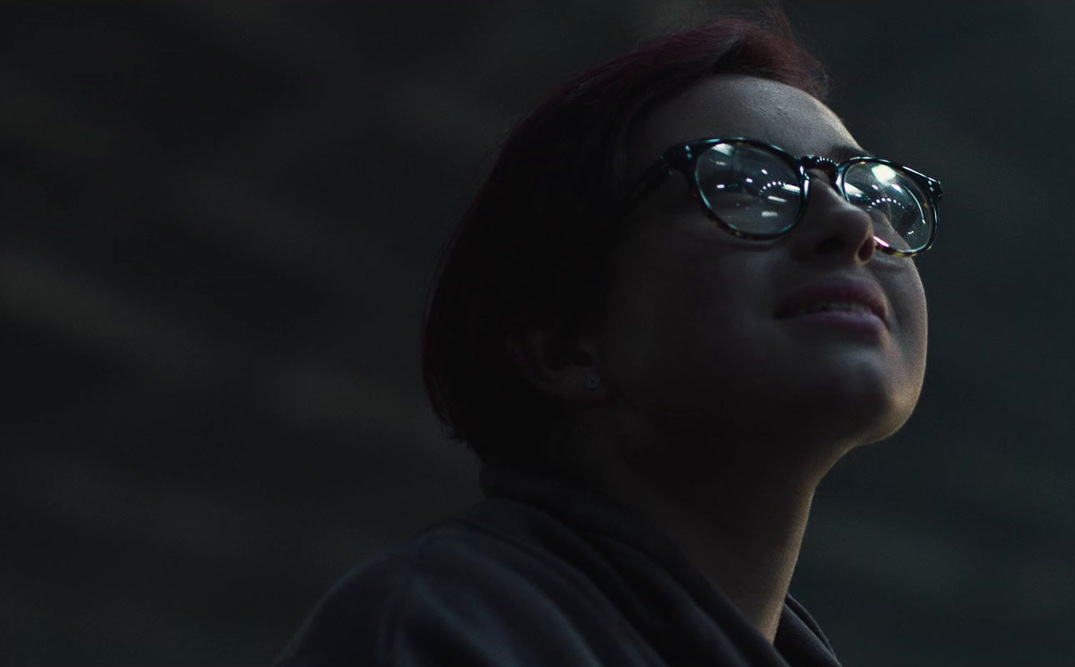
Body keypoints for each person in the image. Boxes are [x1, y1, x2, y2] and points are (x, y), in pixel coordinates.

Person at [275, 4, 940, 666]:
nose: (851, 226)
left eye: (870, 190)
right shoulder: (441, 632)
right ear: (562, 346)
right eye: (741, 183)